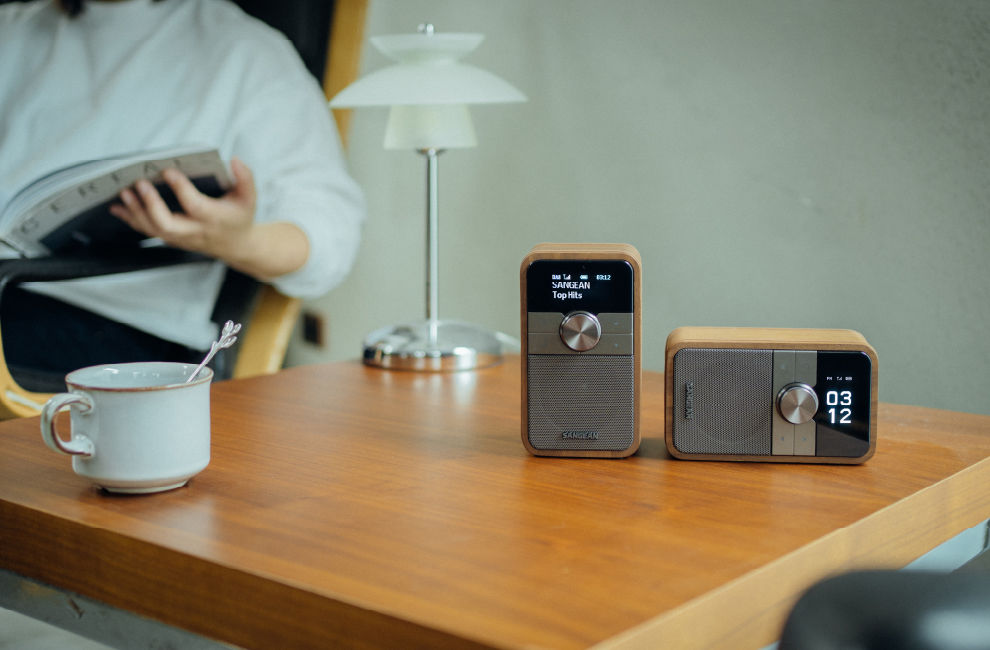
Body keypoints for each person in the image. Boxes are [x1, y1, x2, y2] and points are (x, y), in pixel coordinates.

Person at [0, 0, 364, 385]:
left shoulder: (246, 53)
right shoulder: (13, 28)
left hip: (112, 326)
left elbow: (329, 237)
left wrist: (239, 241)